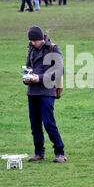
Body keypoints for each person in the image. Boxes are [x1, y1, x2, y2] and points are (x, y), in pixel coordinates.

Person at [23, 26, 66, 163]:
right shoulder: (30, 49)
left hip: (47, 90)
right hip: (33, 91)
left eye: (34, 40)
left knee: (48, 123)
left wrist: (39, 78)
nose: (32, 43)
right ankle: (39, 153)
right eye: (31, 41)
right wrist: (27, 78)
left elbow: (59, 70)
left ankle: (60, 152)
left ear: (41, 38)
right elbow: (28, 67)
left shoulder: (53, 49)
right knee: (35, 124)